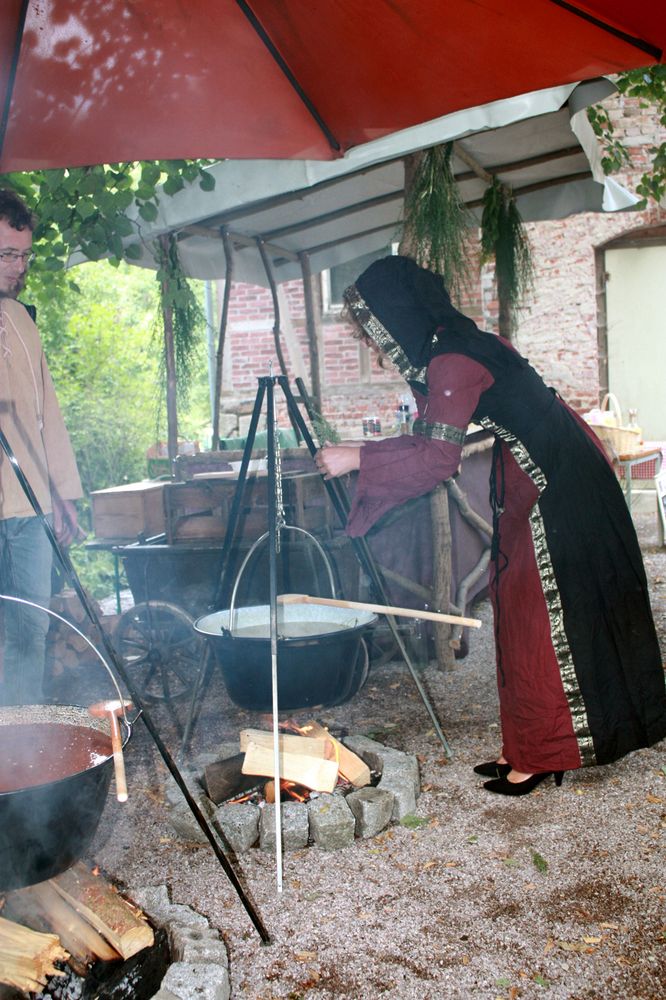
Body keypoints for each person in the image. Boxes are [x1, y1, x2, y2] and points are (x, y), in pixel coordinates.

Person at [315, 255, 666, 796]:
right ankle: (529, 744)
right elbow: (439, 432)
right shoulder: (457, 343)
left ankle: (545, 752)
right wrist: (366, 451)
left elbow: (436, 459)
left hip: (559, 482)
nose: (371, 343)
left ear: (397, 315)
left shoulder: (452, 360)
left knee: (539, 611)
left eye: (372, 329)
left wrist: (356, 457)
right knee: (518, 605)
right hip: (543, 468)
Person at [0, 188, 83, 706]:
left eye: (24, 255)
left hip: (29, 510)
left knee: (32, 628)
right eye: (8, 255)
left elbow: (46, 414)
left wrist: (63, 494)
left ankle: (21, 750)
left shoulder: (22, 322)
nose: (19, 266)